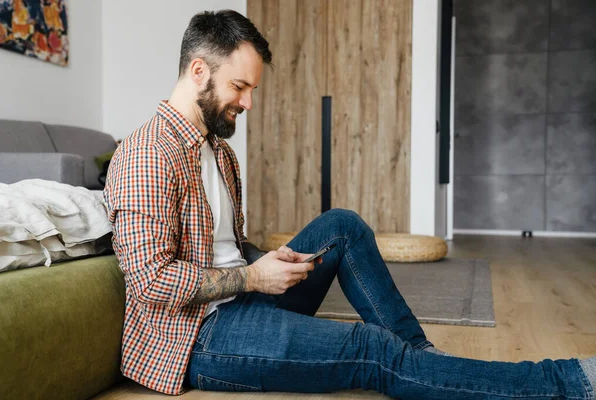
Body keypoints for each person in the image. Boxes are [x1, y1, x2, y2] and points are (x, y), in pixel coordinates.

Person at [103, 9, 596, 399]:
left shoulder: (218, 149)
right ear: (198, 71)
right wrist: (255, 277)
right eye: (239, 87)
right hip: (197, 339)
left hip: (239, 298)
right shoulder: (147, 153)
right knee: (371, 351)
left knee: (343, 224)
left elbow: (224, 248)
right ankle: (566, 384)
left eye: (252, 89)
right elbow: (150, 283)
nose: (248, 103)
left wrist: (262, 261)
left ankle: (422, 361)